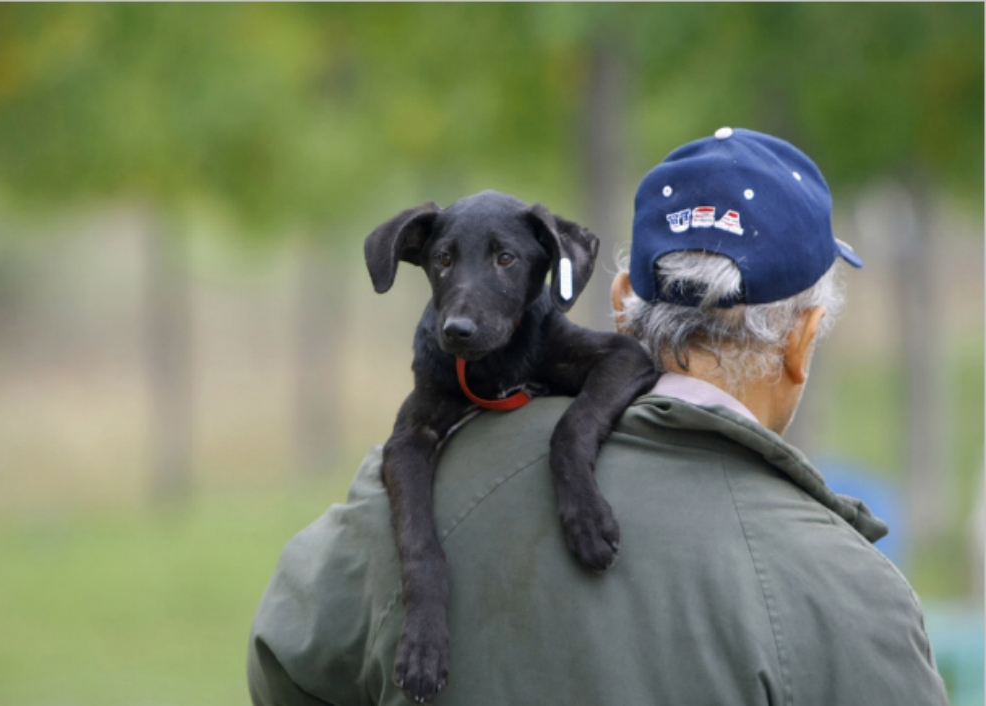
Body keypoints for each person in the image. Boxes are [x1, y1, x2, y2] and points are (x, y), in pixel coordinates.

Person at [247, 128, 949, 705]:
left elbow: (282, 665)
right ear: (804, 338)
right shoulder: (861, 595)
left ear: (621, 302)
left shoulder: (398, 501)